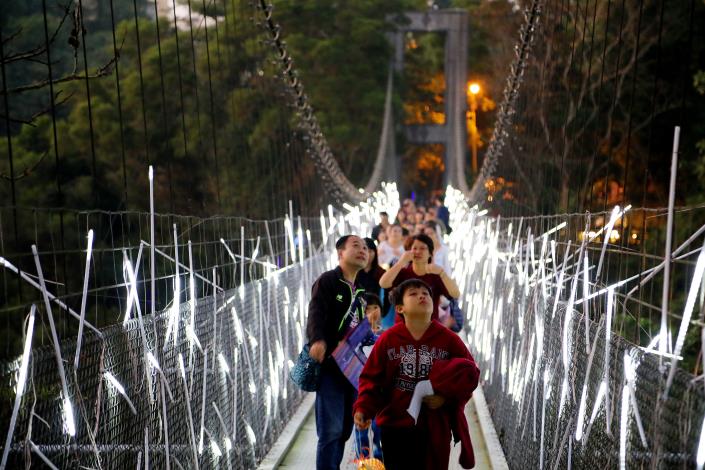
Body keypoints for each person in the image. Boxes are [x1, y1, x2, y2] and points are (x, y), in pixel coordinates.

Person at [353, 279, 480, 469]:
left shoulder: (449, 339)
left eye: (426, 294)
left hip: (435, 428)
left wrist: (445, 399)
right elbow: (371, 378)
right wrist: (364, 408)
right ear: (400, 308)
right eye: (413, 294)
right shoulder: (388, 339)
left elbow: (469, 376)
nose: (422, 296)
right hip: (395, 426)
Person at [306, 235, 369, 470]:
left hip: (352, 370)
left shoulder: (361, 292)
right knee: (331, 430)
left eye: (365, 248)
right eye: (356, 246)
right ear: (340, 253)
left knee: (344, 430)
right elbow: (316, 313)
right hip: (331, 366)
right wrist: (317, 340)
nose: (362, 250)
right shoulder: (328, 281)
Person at [378, 234, 460, 323]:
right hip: (403, 326)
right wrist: (400, 262)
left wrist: (442, 273)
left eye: (422, 248)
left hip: (429, 326)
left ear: (430, 254)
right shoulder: (402, 272)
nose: (418, 251)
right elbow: (383, 283)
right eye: (415, 248)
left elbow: (455, 294)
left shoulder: (436, 275)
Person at [354, 293, 384, 462]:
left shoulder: (386, 335)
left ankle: (379, 462)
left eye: (375, 308)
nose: (372, 312)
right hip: (360, 391)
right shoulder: (356, 336)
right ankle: (363, 462)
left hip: (380, 393)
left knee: (379, 430)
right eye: (367, 309)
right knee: (361, 431)